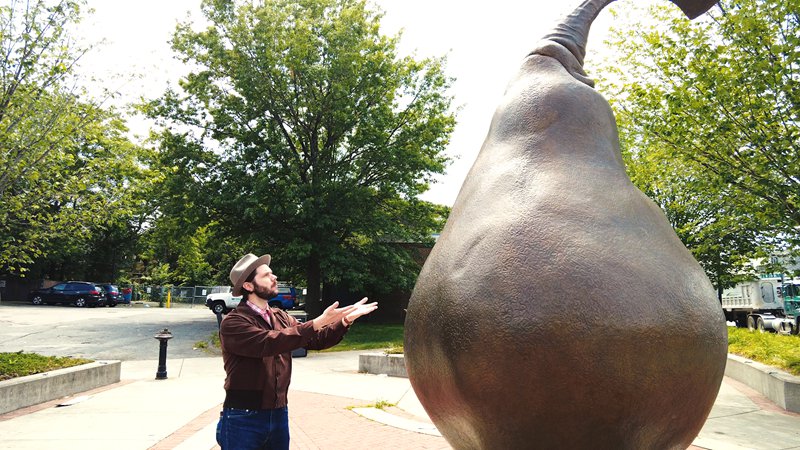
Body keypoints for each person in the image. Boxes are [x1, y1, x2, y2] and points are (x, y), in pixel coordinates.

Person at [216, 253, 378, 450]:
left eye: (272, 273)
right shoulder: (234, 322)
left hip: (278, 413)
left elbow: (316, 339)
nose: (274, 277)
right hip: (243, 416)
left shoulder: (281, 317)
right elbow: (269, 343)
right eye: (266, 275)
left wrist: (344, 321)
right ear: (249, 286)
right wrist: (317, 322)